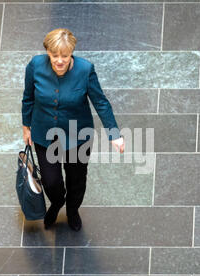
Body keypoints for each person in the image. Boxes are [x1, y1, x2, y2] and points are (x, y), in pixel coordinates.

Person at [21, 28, 124, 231]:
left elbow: (101, 103)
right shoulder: (35, 66)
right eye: (54, 55)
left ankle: (72, 210)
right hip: (44, 134)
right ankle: (57, 203)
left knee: (77, 180)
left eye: (65, 56)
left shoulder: (85, 70)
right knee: (51, 182)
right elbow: (28, 98)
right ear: (47, 52)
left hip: (78, 136)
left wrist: (114, 134)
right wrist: (26, 126)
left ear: (71, 53)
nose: (60, 60)